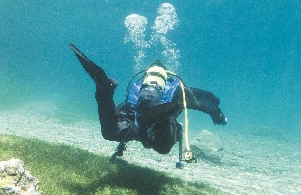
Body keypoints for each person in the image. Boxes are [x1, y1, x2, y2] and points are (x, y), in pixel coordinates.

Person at [69, 44, 227, 165]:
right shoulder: (177, 89)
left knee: (110, 132)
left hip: (134, 124)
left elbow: (121, 110)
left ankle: (104, 89)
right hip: (158, 130)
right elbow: (201, 99)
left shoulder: (138, 86)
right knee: (163, 147)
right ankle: (160, 116)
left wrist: (111, 109)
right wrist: (217, 113)